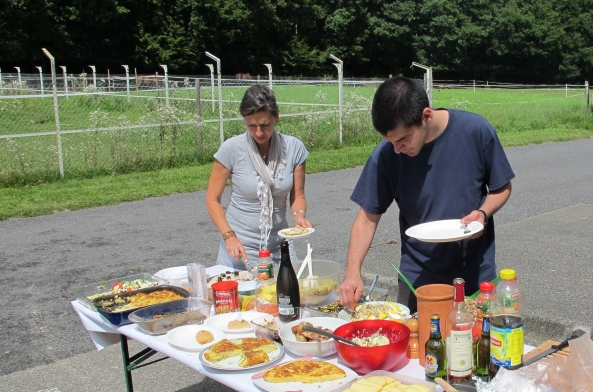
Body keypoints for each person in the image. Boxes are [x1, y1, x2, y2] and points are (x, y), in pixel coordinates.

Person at [339, 77, 514, 312]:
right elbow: (367, 218)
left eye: (403, 139)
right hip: (418, 280)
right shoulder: (387, 154)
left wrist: (483, 213)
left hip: (476, 279)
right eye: (389, 141)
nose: (397, 149)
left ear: (426, 116)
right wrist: (352, 274)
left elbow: (501, 187)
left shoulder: (475, 131)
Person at [206, 85, 312, 268]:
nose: (258, 133)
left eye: (265, 125)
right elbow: (211, 199)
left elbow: (298, 196)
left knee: (292, 293)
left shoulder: (294, 148)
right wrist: (229, 236)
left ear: (276, 116)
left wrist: (299, 216)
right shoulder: (231, 149)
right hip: (238, 248)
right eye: (251, 126)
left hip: (279, 246)